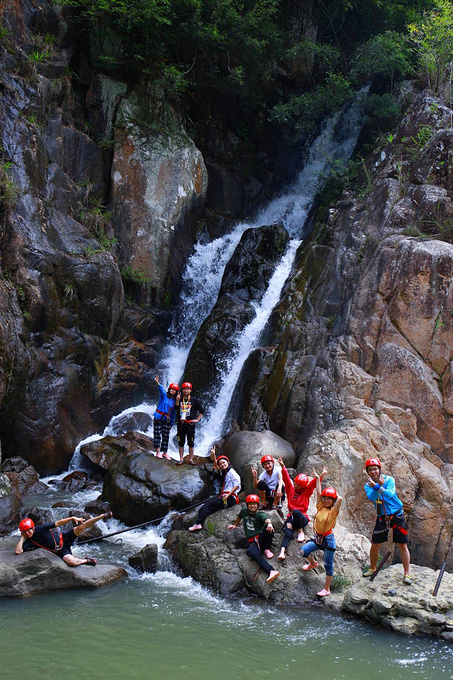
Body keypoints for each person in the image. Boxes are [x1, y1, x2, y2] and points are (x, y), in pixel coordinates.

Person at [363, 457, 411, 584]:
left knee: (402, 544)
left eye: (375, 469)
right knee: (375, 544)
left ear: (379, 469)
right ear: (367, 472)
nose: (373, 472)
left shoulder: (389, 480)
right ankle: (373, 568)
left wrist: (379, 486)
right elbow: (372, 497)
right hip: (382, 517)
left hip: (396, 514)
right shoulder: (368, 485)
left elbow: (390, 494)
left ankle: (407, 574)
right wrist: (376, 487)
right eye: (370, 470)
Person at [300, 469, 343, 598]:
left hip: (328, 539)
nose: (325, 500)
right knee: (303, 551)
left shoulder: (334, 511)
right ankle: (313, 564)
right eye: (325, 498)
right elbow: (318, 492)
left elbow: (340, 498)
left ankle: (326, 588)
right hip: (318, 537)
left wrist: (333, 494)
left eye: (329, 499)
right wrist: (318, 478)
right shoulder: (320, 506)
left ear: (333, 500)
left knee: (328, 564)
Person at [15, 511, 113, 567]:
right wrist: (23, 537)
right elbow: (18, 551)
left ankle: (101, 516)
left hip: (64, 537)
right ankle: (86, 560)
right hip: (60, 551)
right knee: (72, 562)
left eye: (29, 530)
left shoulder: (40, 528)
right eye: (25, 532)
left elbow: (58, 523)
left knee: (81, 527)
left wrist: (72, 518)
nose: (28, 533)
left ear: (33, 528)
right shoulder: (29, 541)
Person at [276, 456, 322, 561]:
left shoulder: (306, 492)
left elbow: (312, 485)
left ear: (302, 487)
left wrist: (319, 476)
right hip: (291, 517)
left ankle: (300, 531)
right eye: (295, 483)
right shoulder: (290, 489)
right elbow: (287, 480)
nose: (295, 485)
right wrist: (283, 466)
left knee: (296, 512)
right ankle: (282, 551)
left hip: (302, 518)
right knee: (287, 530)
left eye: (298, 485)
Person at [227, 493, 280, 584]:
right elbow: (239, 517)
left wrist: (269, 523)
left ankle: (267, 548)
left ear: (257, 505)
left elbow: (266, 519)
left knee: (269, 529)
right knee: (253, 553)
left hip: (261, 539)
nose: (252, 506)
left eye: (254, 504)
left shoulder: (260, 514)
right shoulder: (244, 511)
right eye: (250, 504)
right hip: (252, 542)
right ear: (247, 505)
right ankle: (271, 571)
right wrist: (235, 525)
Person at [188, 449, 241, 531]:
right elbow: (217, 466)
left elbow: (237, 485)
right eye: (221, 464)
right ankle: (199, 522)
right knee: (207, 504)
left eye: (224, 463)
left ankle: (198, 524)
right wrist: (214, 456)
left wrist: (228, 495)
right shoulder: (226, 472)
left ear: (228, 462)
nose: (222, 465)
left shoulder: (232, 473)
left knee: (208, 505)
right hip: (224, 497)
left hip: (229, 498)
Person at [175, 382, 204, 465]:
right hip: (181, 424)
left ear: (190, 390)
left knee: (191, 442)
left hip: (190, 424)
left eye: (188, 389)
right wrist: (177, 400)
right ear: (182, 390)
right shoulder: (179, 398)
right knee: (181, 442)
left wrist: (197, 420)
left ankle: (191, 459)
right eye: (184, 389)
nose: (186, 390)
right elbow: (176, 408)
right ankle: (181, 459)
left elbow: (201, 410)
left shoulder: (194, 400)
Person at [153, 375, 179, 460]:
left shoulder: (175, 401)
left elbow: (173, 413)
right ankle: (158, 452)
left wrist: (171, 423)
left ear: (176, 392)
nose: (172, 391)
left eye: (174, 390)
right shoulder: (164, 395)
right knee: (157, 434)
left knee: (166, 436)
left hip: (166, 420)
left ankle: (165, 452)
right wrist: (157, 382)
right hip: (158, 417)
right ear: (169, 390)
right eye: (171, 389)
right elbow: (160, 389)